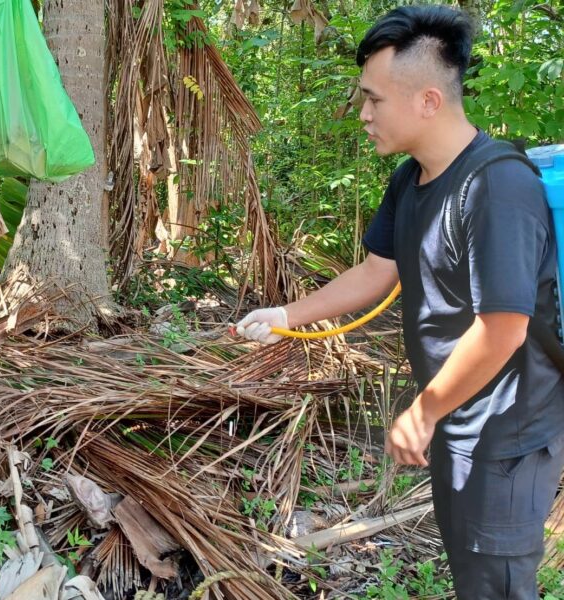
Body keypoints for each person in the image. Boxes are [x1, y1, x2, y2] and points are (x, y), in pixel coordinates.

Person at [236, 5, 564, 598]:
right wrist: (286, 315)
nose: (363, 114)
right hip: (455, 417)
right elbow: (376, 270)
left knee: (497, 584)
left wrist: (424, 411)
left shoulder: (497, 187)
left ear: (428, 101)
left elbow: (503, 328)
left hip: (506, 434)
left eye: (374, 100)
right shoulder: (411, 179)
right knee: (472, 575)